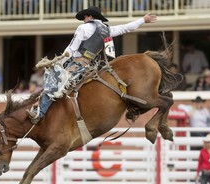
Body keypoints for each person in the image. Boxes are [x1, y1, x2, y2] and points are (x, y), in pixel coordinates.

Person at [26, 6, 157, 124]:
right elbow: (126, 28)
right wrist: (143, 20)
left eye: (85, 16)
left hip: (76, 65)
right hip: (89, 66)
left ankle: (40, 113)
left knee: (54, 82)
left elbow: (71, 48)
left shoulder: (83, 28)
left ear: (91, 17)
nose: (84, 19)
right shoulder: (107, 30)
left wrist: (58, 62)